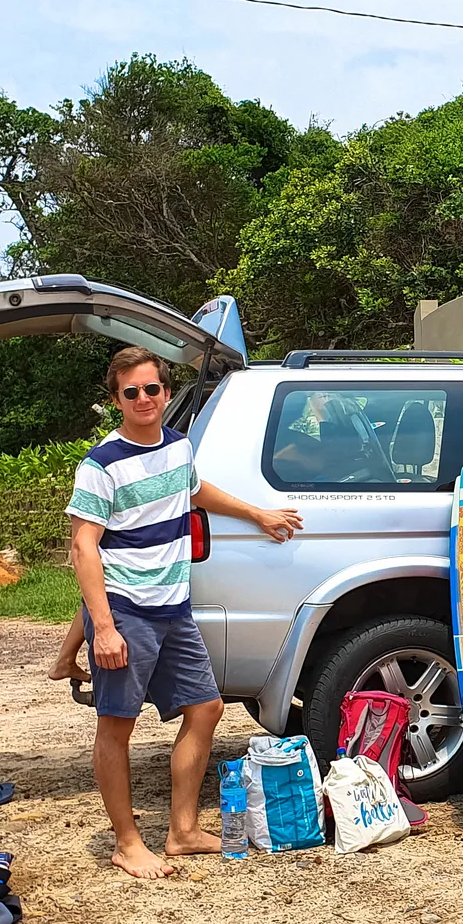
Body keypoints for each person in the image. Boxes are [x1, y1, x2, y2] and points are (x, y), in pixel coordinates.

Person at [66, 346, 304, 879]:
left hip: (175, 608)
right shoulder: (100, 464)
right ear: (116, 400)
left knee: (208, 707)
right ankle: (127, 843)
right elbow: (84, 547)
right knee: (117, 726)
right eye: (132, 392)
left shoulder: (177, 448)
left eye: (153, 389)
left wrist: (257, 512)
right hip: (127, 609)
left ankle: (182, 831)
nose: (144, 399)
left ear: (167, 394)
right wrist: (101, 628)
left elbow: (196, 492)